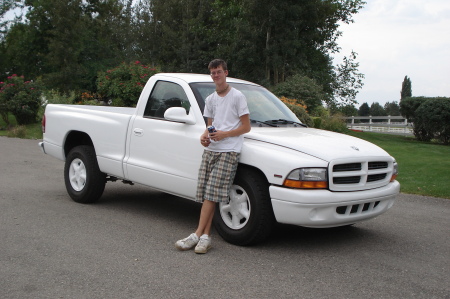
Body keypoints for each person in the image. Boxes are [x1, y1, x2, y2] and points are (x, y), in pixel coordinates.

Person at [175, 59, 251, 254]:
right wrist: (204, 137)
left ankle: (196, 234)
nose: (216, 76)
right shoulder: (210, 99)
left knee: (210, 195)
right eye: (213, 73)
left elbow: (246, 127)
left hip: (229, 151)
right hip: (211, 151)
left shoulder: (237, 97)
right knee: (206, 195)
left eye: (218, 72)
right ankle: (206, 238)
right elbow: (209, 126)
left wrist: (225, 134)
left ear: (226, 72)